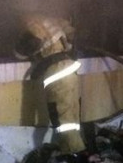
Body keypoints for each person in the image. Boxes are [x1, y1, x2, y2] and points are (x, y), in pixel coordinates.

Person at [14, 13, 85, 153]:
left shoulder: (33, 25)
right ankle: (76, 150)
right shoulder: (53, 21)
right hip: (70, 69)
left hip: (57, 73)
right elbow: (71, 34)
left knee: (62, 121)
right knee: (72, 117)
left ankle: (74, 155)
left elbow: (24, 50)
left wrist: (18, 51)